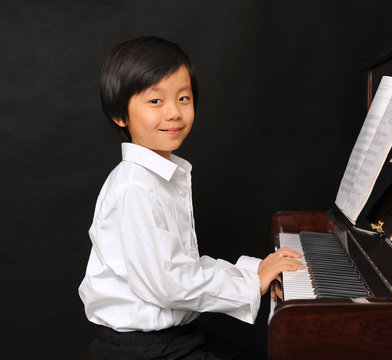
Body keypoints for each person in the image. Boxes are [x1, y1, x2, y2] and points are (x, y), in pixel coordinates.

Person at [78, 36, 304, 360]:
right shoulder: (134, 188)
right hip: (143, 349)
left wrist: (254, 274)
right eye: (156, 101)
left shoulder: (163, 176)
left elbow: (181, 266)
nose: (174, 113)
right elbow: (170, 284)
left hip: (175, 335)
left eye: (183, 98)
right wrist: (252, 284)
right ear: (120, 114)